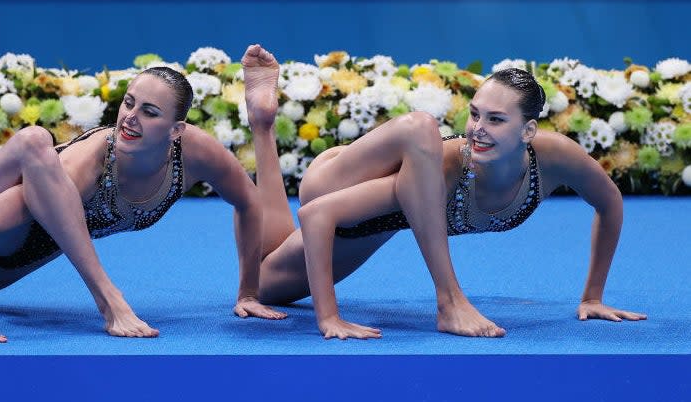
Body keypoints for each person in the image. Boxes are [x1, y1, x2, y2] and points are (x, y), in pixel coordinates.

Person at [0, 40, 286, 344]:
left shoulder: (198, 152)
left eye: (149, 112)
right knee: (32, 141)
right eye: (128, 103)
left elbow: (249, 203)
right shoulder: (78, 170)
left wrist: (248, 291)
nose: (130, 117)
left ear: (176, 130)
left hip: (14, 261)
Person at [245, 58, 648, 339]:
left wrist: (593, 296)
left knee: (263, 285)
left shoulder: (557, 157)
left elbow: (609, 204)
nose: (478, 129)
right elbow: (316, 211)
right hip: (334, 180)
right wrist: (329, 317)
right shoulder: (439, 170)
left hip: (367, 226)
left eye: (495, 119)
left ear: (528, 131)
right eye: (475, 114)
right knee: (421, 128)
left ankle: (262, 123)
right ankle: (450, 300)